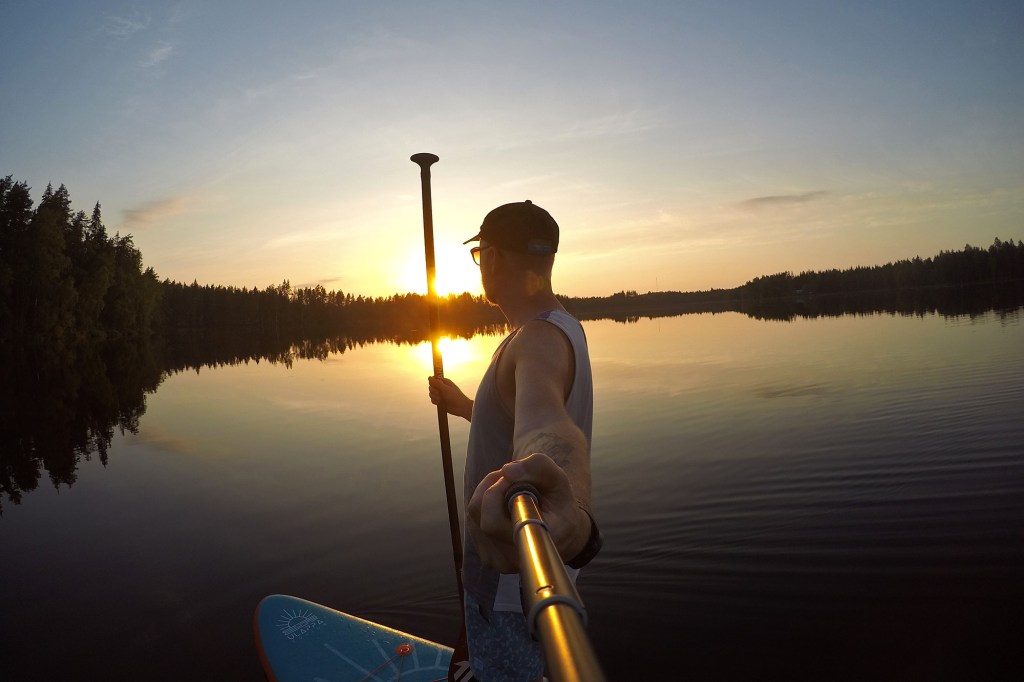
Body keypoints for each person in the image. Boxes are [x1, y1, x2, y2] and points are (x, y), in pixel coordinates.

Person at [428, 201, 601, 682]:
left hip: (506, 583)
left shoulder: (536, 342)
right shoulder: (563, 327)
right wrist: (467, 406)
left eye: (481, 255)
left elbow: (545, 428)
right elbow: (522, 420)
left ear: (494, 258)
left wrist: (570, 513)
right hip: (537, 575)